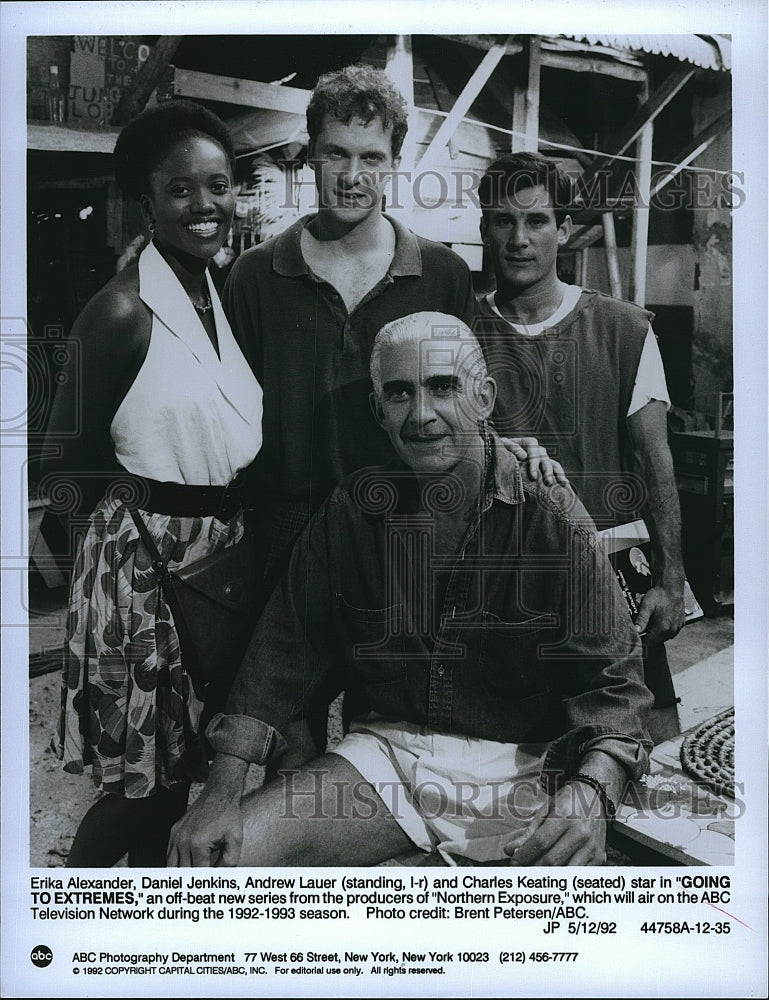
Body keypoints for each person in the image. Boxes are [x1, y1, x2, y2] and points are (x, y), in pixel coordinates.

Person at [168, 314, 652, 868]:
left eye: (443, 386)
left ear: (484, 397)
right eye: (400, 393)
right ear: (379, 411)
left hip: (527, 773)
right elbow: (283, 649)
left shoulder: (550, 514)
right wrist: (221, 791)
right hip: (387, 765)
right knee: (214, 867)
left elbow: (615, 684)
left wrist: (591, 793)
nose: (421, 415)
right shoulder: (353, 510)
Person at [222, 65, 562, 588]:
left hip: (411, 522)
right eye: (336, 153)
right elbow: (228, 420)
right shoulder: (256, 274)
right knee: (280, 667)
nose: (352, 175)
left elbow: (465, 406)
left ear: (394, 166)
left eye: (371, 158)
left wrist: (513, 447)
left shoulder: (443, 274)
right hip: (283, 529)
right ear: (311, 153)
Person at [44, 100, 264, 866]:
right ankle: (72, 921)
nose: (205, 206)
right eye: (181, 190)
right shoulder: (120, 311)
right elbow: (62, 465)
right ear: (147, 203)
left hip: (214, 561)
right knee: (141, 787)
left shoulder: (221, 296)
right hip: (143, 570)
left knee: (190, 775)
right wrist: (107, 580)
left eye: (219, 185)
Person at [474, 152, 686, 742]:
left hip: (613, 572)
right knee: (521, 763)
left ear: (564, 230)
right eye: (503, 221)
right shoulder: (457, 333)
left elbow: (654, 460)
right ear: (484, 228)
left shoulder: (625, 329)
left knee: (644, 750)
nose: (519, 239)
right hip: (505, 579)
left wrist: (670, 580)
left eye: (537, 221)